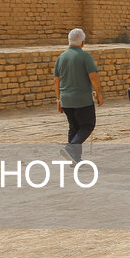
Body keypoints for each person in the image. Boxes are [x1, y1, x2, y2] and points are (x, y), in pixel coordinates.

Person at [53, 28, 103, 164]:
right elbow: (93, 77)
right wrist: (99, 94)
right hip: (82, 99)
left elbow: (56, 80)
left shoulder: (61, 57)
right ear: (83, 42)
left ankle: (75, 158)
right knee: (88, 125)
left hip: (66, 99)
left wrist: (59, 99)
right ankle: (70, 148)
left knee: (74, 127)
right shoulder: (85, 57)